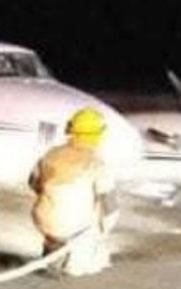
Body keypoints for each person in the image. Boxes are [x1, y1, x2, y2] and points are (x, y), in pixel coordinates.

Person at [28, 107, 118, 277]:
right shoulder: (96, 162)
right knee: (95, 213)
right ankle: (72, 263)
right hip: (72, 226)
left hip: (41, 219)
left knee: (57, 216)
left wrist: (51, 197)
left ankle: (52, 254)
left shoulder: (52, 153)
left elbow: (32, 182)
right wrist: (104, 230)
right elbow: (109, 204)